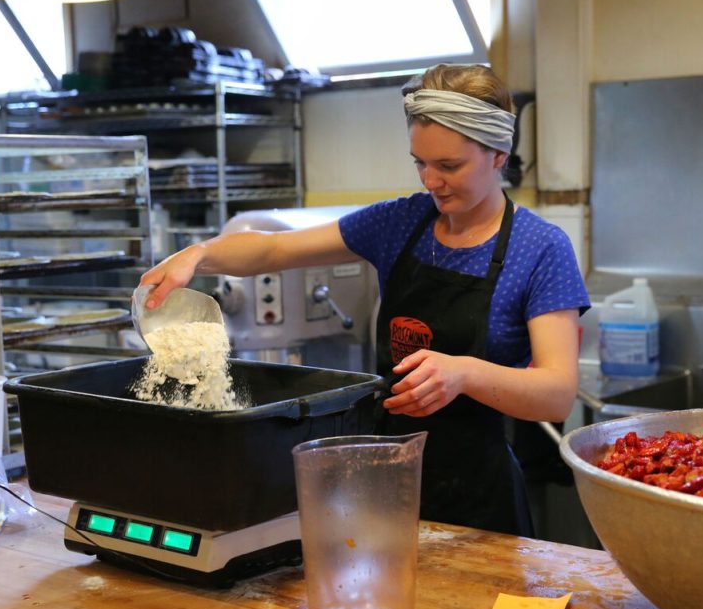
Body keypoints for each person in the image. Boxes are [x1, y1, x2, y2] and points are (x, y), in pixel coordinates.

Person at [139, 63, 590, 537]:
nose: (430, 181)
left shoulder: (539, 247)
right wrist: (202, 254)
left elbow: (556, 394)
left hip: (479, 499)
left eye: (449, 166)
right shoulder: (400, 224)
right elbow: (273, 248)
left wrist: (465, 373)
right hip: (385, 478)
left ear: (499, 153)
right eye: (420, 162)